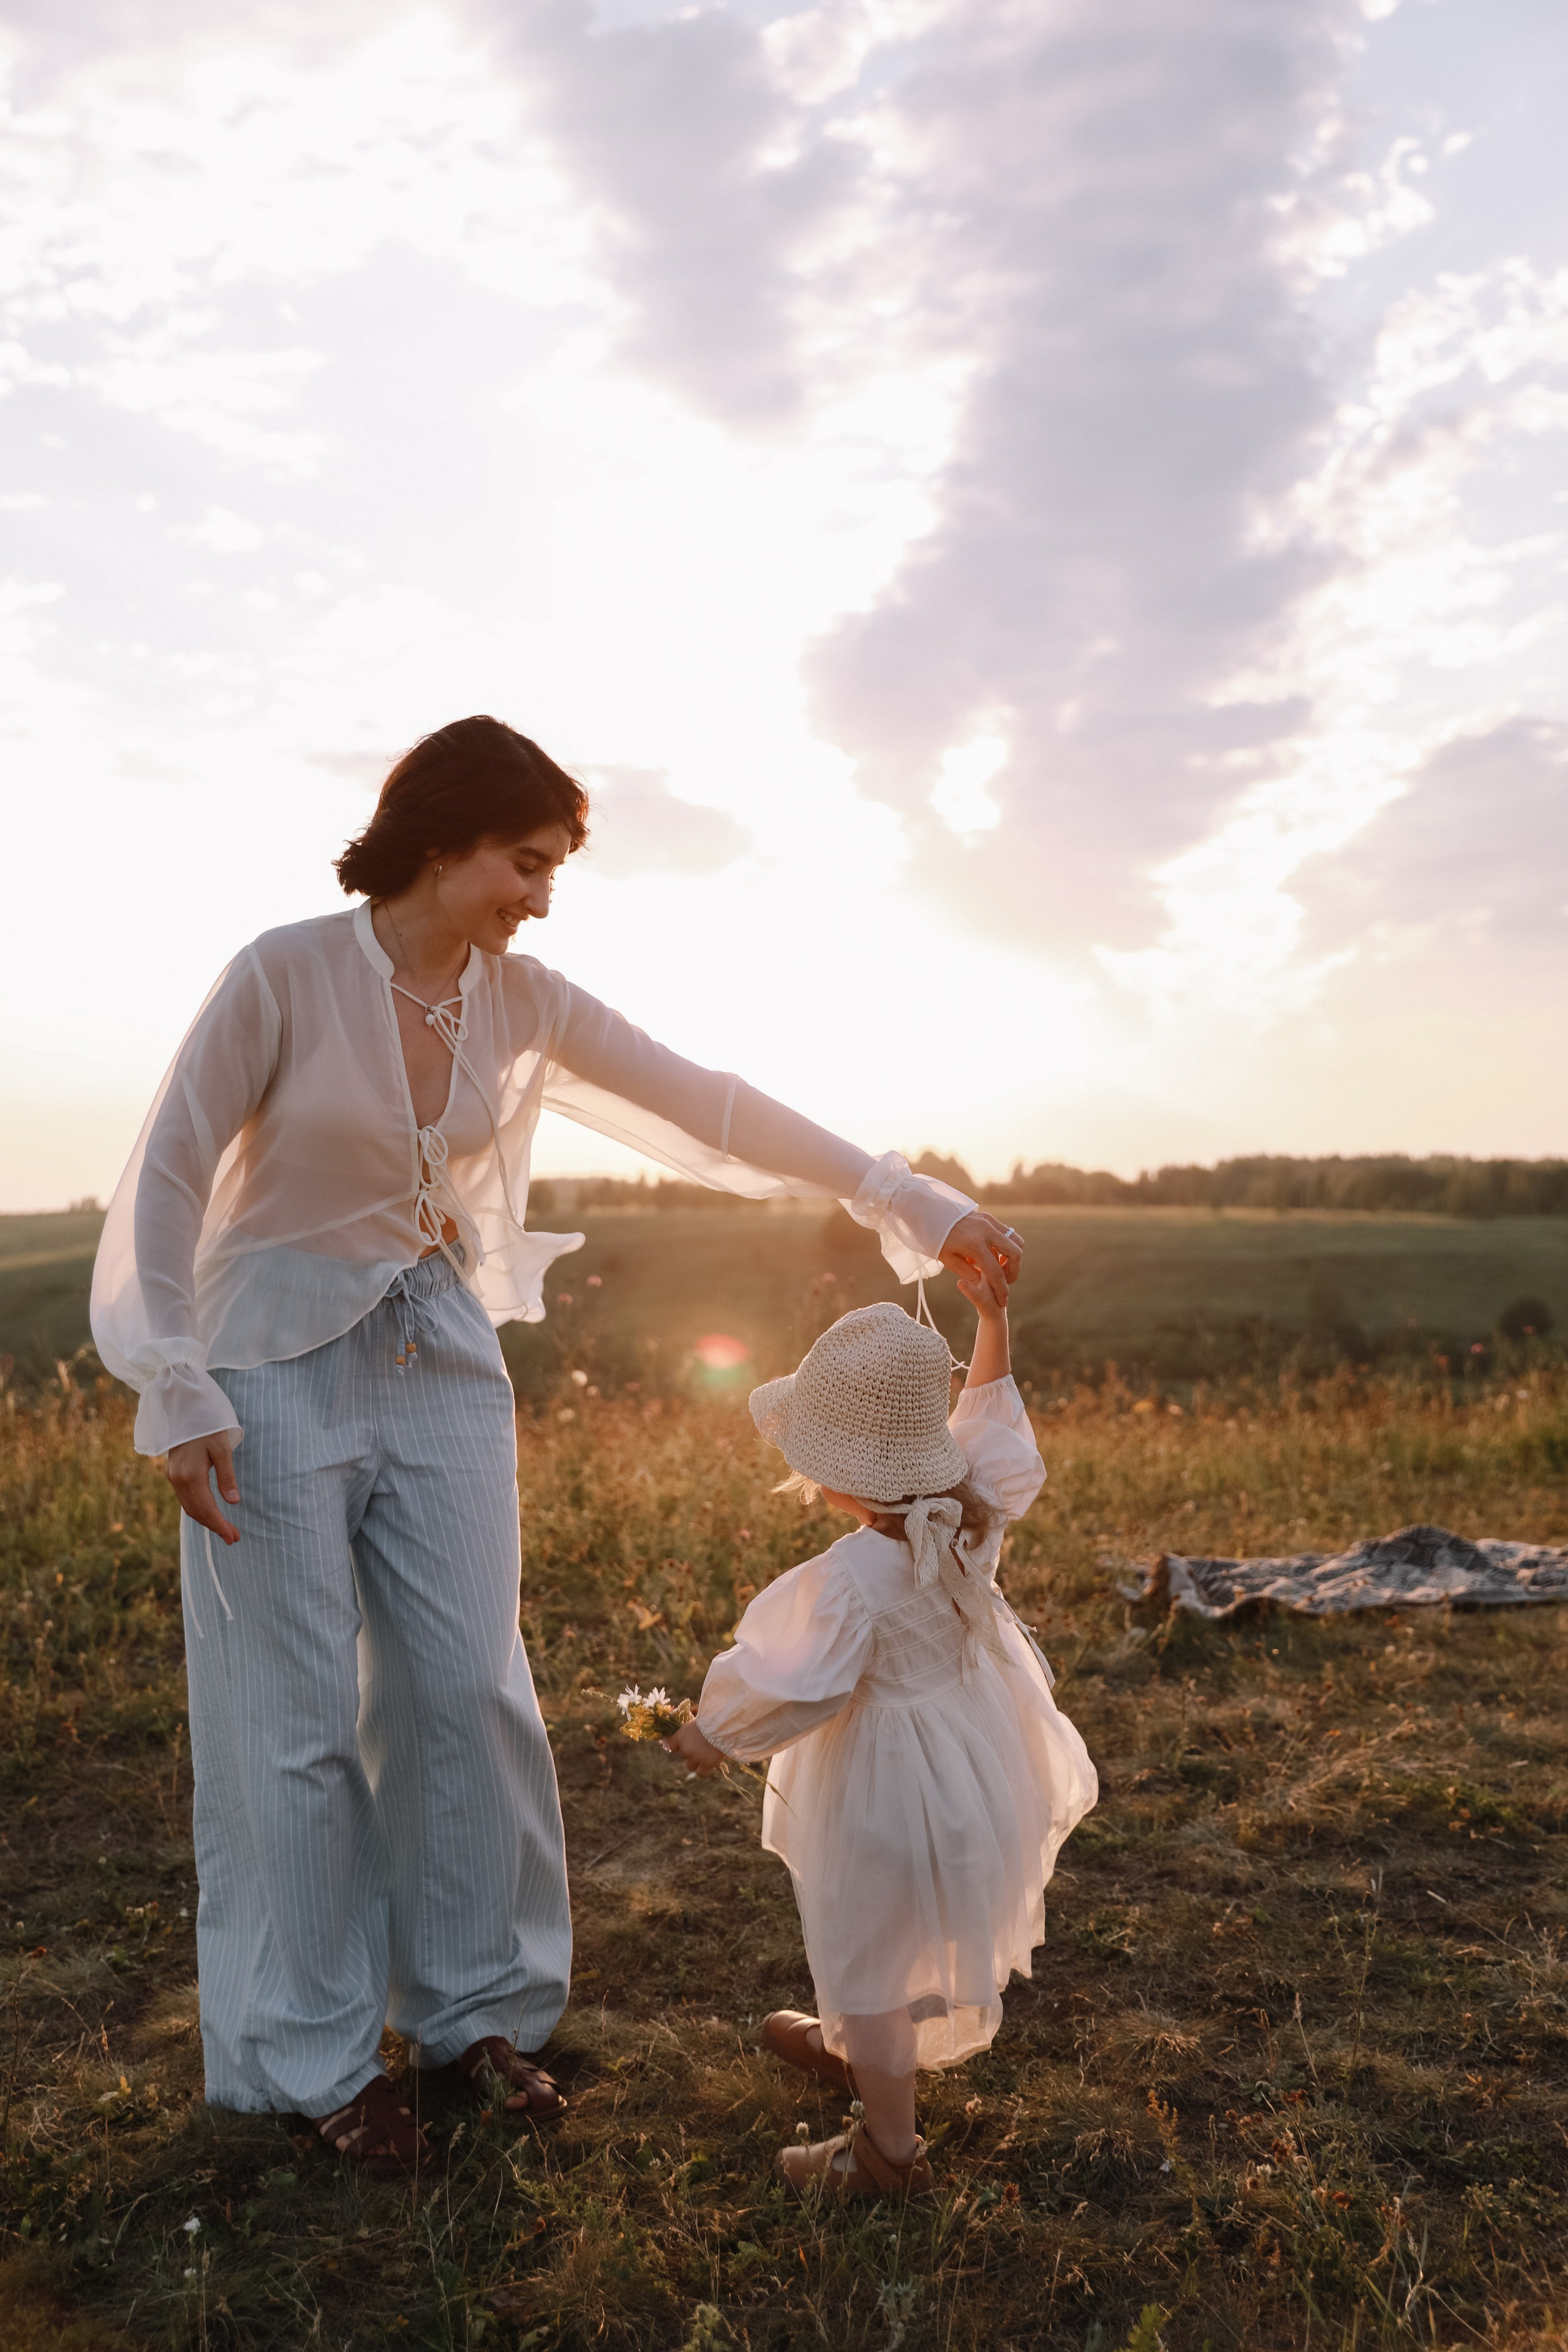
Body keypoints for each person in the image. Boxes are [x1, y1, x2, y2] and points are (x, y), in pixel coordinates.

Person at [89, 715, 1023, 2176]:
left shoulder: (521, 1002)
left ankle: (477, 2013)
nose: (539, 895)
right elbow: (161, 1179)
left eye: (552, 871)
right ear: (442, 838)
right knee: (290, 1726)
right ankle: (314, 2060)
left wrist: (906, 1194)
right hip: (263, 1369)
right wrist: (173, 1382)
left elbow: (706, 1102)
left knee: (469, 1687)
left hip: (442, 1356)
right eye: (526, 863)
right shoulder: (282, 972)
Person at [663, 1272, 1096, 2198]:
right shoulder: (972, 1504)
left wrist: (710, 1733)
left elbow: (792, 1680)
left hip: (889, 1790)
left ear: (839, 1472)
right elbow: (992, 1422)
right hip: (974, 1761)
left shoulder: (854, 1575)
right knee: (898, 1936)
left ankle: (887, 2157)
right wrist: (994, 1320)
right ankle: (851, 2044)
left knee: (867, 1947)